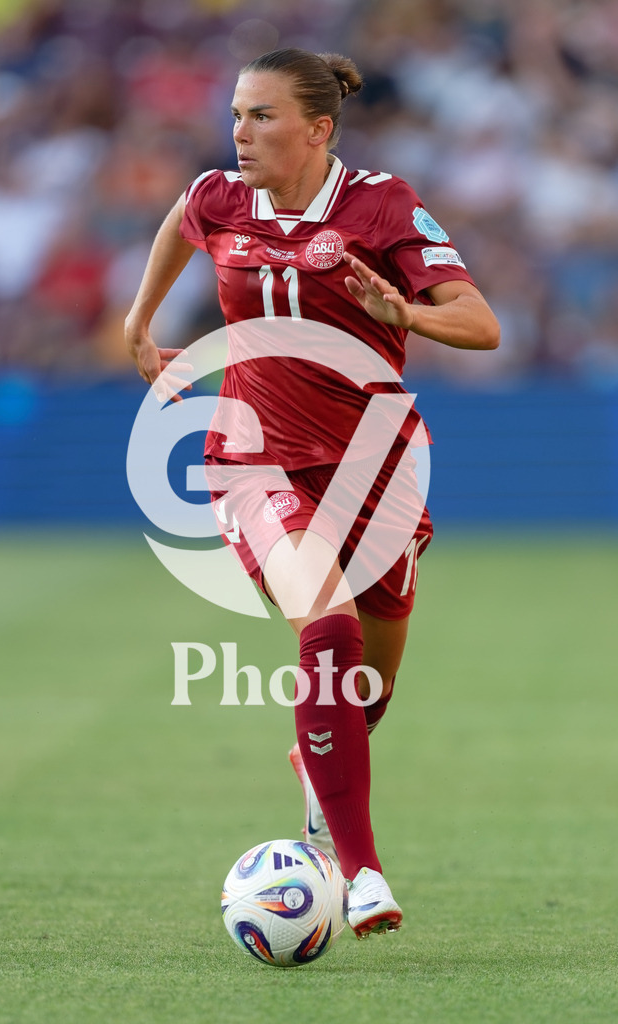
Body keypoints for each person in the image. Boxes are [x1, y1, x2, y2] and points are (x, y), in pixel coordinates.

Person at [125, 48, 500, 940]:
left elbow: (479, 323)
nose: (239, 133)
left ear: (317, 129)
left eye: (260, 117)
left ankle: (315, 762)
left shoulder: (382, 204)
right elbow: (182, 219)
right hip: (254, 461)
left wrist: (405, 314)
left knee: (362, 691)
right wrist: (141, 324)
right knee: (324, 629)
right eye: (235, 115)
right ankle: (361, 872)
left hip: (374, 470)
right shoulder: (222, 196)